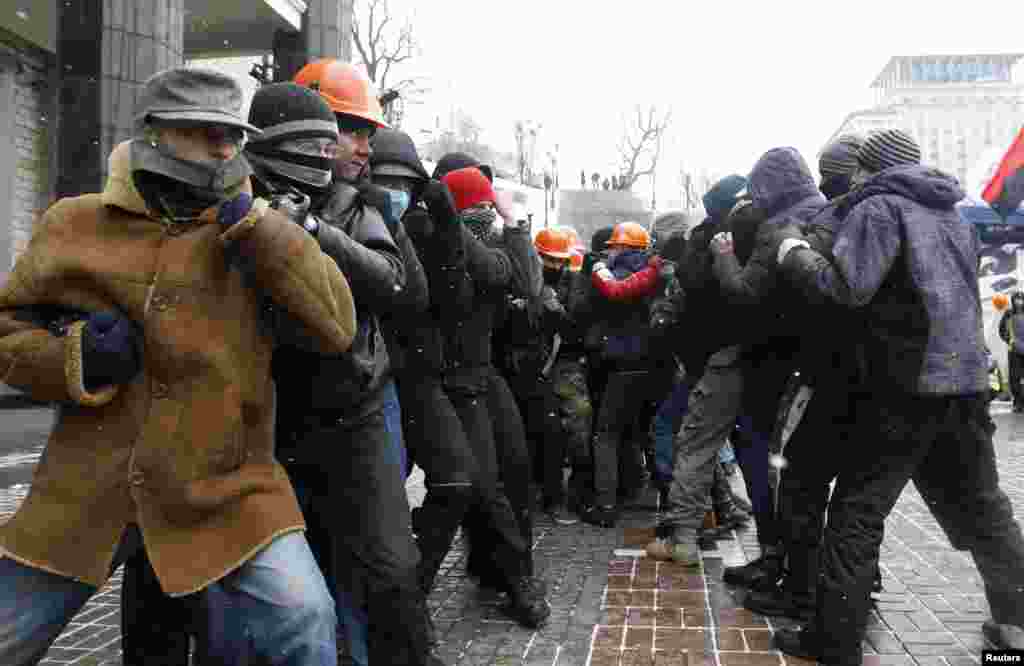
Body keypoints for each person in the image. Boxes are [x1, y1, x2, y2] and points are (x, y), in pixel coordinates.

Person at [0, 66, 356, 666]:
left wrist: (263, 231)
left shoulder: (256, 227)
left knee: (304, 623)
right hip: (92, 482)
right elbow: (6, 333)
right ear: (155, 133)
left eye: (233, 136)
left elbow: (336, 324)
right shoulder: (75, 222)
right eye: (205, 132)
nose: (225, 149)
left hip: (225, 484)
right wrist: (75, 357)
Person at [772, 128, 1024, 661]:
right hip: (964, 386)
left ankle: (833, 642)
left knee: (856, 514)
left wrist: (795, 253)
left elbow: (844, 288)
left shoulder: (878, 209)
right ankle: (1016, 627)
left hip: (904, 388)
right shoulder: (953, 214)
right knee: (985, 511)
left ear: (868, 169)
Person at [283, 61, 442, 666]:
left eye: (368, 134)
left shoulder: (363, 205)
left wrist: (319, 230)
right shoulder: (245, 200)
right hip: (276, 414)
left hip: (357, 406)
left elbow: (402, 289)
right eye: (350, 128)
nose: (361, 146)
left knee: (391, 565)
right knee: (306, 571)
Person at [577, 221, 673, 527]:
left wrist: (593, 268)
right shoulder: (655, 274)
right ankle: (665, 499)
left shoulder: (614, 275)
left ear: (622, 247)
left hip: (623, 365)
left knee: (606, 434)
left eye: (613, 246)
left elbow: (605, 297)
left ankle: (606, 506)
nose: (610, 251)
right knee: (646, 432)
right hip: (655, 365)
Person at [998, 290, 1024, 411]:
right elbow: (1002, 330)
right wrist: (1009, 340)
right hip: (1014, 350)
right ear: (1012, 301)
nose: (1019, 302)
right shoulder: (1008, 314)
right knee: (1015, 377)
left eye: (1021, 299)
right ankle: (1018, 402)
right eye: (1016, 299)